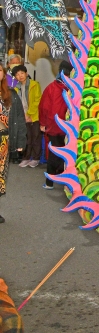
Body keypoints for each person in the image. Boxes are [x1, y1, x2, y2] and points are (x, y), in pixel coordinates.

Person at [38, 60, 73, 189]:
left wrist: (43, 123)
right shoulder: (73, 88)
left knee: (54, 153)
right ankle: (67, 181)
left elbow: (44, 107)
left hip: (54, 126)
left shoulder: (51, 87)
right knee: (68, 154)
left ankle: (50, 182)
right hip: (70, 127)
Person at [0, 65, 27, 223]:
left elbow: (19, 118)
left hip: (3, 141)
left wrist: (21, 140)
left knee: (0, 178)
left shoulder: (10, 94)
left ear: (4, 74)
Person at [12, 65, 41, 168]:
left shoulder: (34, 85)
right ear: (15, 77)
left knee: (35, 138)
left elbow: (37, 100)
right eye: (17, 74)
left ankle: (36, 158)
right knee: (26, 138)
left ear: (26, 73)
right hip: (22, 116)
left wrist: (29, 114)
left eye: (22, 73)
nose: (20, 76)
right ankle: (26, 158)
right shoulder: (16, 88)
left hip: (34, 116)